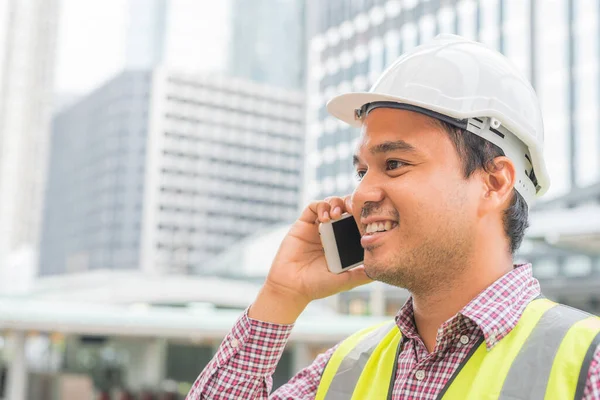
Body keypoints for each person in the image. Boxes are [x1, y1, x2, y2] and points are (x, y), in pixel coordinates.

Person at [186, 35, 600, 399]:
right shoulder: (342, 370)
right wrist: (282, 296)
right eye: (361, 171)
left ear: (493, 183)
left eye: (396, 163)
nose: (361, 193)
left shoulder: (587, 364)